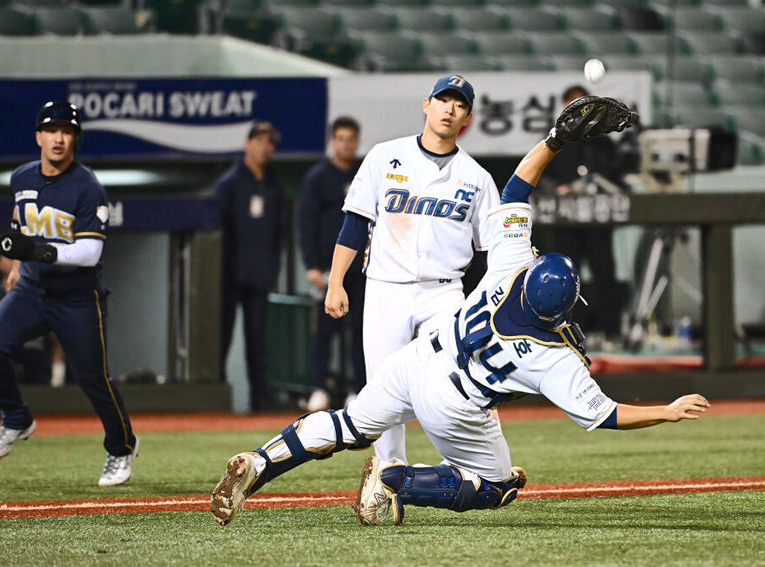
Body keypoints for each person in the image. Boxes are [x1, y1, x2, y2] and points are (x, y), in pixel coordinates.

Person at [211, 95, 709, 528]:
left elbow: (515, 189)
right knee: (496, 486)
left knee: (348, 424)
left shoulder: (511, 266)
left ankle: (261, 461)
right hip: (452, 400)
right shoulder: (550, 354)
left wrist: (554, 139)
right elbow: (605, 417)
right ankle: (393, 479)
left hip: (420, 357)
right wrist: (667, 411)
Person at [323, 75, 501, 464]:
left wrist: (486, 303)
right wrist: (336, 281)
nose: (449, 109)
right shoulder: (385, 156)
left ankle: (470, 465)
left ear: (467, 117)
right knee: (382, 387)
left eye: (459, 105)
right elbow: (355, 225)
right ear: (427, 104)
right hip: (386, 287)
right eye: (443, 100)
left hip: (444, 292)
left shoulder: (478, 179)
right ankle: (388, 474)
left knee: (457, 378)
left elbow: (492, 253)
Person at [0, 101, 139, 486]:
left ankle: (121, 448)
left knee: (92, 378)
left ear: (75, 140)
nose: (59, 138)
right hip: (33, 289)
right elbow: (20, 225)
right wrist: (18, 266)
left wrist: (37, 252)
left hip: (78, 298)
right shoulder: (21, 178)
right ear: (39, 136)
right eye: (52, 130)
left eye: (67, 131)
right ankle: (16, 417)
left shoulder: (87, 188)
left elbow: (89, 253)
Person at [537, 85, 625, 348]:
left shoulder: (604, 142)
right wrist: (556, 189)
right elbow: (541, 176)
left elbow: (616, 177)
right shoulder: (553, 142)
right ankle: (568, 333)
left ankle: (610, 332)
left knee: (604, 273)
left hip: (597, 220)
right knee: (566, 277)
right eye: (573, 106)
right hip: (566, 221)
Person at [215, 121, 288, 412]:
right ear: (248, 144)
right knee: (219, 339)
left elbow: (279, 233)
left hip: (259, 277)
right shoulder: (229, 184)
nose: (264, 147)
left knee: (258, 341)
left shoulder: (274, 185)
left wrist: (273, 270)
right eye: (259, 141)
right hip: (228, 278)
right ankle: (216, 398)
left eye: (269, 142)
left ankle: (260, 400)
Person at [300, 117, 366, 411]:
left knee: (360, 330)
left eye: (351, 139)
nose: (346, 144)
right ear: (332, 141)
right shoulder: (317, 177)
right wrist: (312, 265)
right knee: (324, 332)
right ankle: (320, 388)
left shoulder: (365, 174)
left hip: (362, 269)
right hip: (329, 268)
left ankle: (358, 389)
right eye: (340, 138)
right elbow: (306, 222)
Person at [0, 256, 63, 386]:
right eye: (9, 256)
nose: (14, 261)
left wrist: (58, 378)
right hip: (0, 375)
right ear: (0, 261)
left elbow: (58, 343)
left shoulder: (44, 299)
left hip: (38, 376)